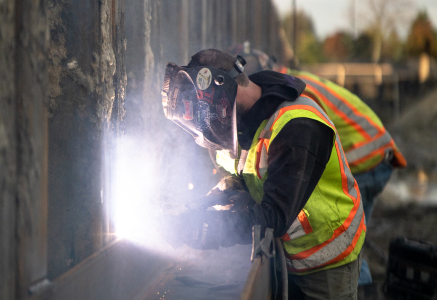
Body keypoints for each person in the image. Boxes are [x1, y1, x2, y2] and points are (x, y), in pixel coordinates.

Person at [161, 49, 365, 299]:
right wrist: (229, 189)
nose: (207, 124)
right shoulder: (242, 124)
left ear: (223, 92)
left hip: (325, 259)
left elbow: (275, 216)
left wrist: (203, 229)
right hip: (283, 252)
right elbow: (256, 173)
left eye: (207, 114)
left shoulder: (297, 126)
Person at [228, 45, 407, 286]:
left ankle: (356, 285)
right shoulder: (290, 83)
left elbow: (308, 144)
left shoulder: (296, 96)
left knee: (339, 239)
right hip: (371, 144)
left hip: (366, 153)